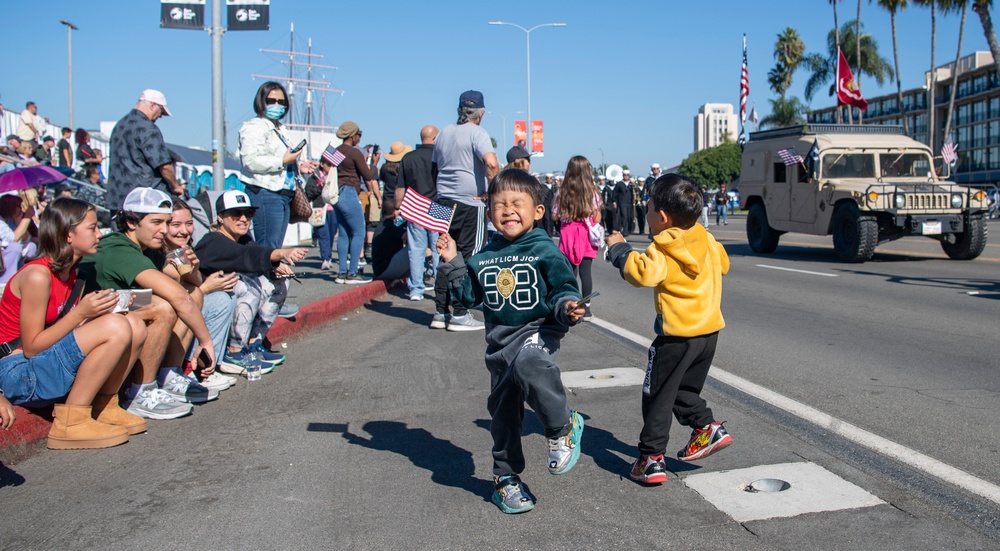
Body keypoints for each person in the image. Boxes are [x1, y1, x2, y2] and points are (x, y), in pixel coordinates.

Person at [436, 168, 585, 514]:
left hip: (537, 334)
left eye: (517, 203)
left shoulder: (544, 248)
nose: (508, 210)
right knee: (503, 417)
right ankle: (505, 479)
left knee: (530, 363)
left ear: (537, 211)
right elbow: (469, 296)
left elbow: (564, 288)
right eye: (499, 205)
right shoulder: (485, 255)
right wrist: (453, 261)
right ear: (489, 213)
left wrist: (567, 308)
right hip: (499, 347)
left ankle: (562, 427)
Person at [605, 173, 733, 485]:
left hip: (676, 336)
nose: (645, 213)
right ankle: (707, 427)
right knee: (683, 390)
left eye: (647, 207)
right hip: (708, 334)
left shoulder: (662, 247)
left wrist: (619, 250)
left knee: (658, 394)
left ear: (661, 217)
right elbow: (724, 264)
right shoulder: (707, 239)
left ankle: (650, 458)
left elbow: (642, 275)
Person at [0, 197, 148, 448]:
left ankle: (102, 405)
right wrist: (81, 315)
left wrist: (99, 311)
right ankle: (70, 422)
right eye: (92, 228)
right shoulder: (38, 274)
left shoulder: (74, 275)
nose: (99, 234)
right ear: (68, 234)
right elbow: (32, 347)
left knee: (132, 322)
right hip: (16, 371)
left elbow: (64, 332)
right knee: (116, 326)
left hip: (40, 364)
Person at [81, 187, 218, 419]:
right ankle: (141, 392)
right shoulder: (119, 247)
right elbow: (177, 297)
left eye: (166, 222)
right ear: (132, 223)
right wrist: (206, 343)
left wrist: (192, 266)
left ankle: (169, 374)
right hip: (88, 318)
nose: (164, 230)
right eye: (156, 222)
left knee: (193, 293)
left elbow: (186, 283)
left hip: (117, 308)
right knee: (162, 306)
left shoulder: (147, 247)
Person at [195, 190, 307, 374]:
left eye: (249, 213)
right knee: (247, 284)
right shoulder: (212, 241)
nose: (244, 218)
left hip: (228, 304)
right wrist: (280, 253)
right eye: (236, 213)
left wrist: (274, 267)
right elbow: (243, 256)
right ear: (221, 217)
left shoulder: (244, 239)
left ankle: (254, 345)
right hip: (207, 307)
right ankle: (234, 352)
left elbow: (254, 255)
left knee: (279, 282)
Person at [430, 90, 500, 331]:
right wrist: (493, 193)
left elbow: (434, 168)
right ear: (480, 114)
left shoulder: (443, 133)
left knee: (444, 252)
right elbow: (491, 163)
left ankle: (440, 311)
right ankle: (460, 313)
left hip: (442, 200)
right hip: (469, 203)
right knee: (470, 255)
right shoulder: (477, 132)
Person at [161, 199, 238, 392]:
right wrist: (206, 288)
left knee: (225, 296)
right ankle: (186, 369)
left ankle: (208, 365)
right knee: (206, 298)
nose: (184, 230)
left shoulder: (182, 251)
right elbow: (187, 291)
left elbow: (193, 280)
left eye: (189, 224)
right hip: (163, 314)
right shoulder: (158, 253)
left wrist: (200, 277)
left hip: (181, 306)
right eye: (176, 225)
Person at [238, 81, 317, 250]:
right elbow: (250, 161)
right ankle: (264, 276)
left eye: (281, 102)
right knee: (268, 247)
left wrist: (298, 166)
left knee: (275, 246)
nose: (277, 105)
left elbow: (282, 157)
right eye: (271, 100)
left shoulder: (280, 128)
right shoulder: (255, 127)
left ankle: (271, 274)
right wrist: (282, 161)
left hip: (283, 193)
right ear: (261, 101)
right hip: (266, 192)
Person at [106, 90, 184, 212]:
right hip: (144, 202)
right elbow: (164, 165)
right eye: (161, 111)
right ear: (153, 105)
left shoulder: (120, 125)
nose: (161, 116)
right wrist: (175, 186)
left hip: (118, 199)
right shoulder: (147, 128)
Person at [553, 156, 602, 320]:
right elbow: (597, 218)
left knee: (569, 273)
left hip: (568, 233)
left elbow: (554, 215)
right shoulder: (592, 193)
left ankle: (570, 304)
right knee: (586, 273)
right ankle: (586, 308)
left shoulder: (562, 192)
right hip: (585, 234)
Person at [395, 126, 439, 301]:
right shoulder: (440, 156)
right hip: (437, 206)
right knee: (438, 250)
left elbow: (400, 187)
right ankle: (440, 288)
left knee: (416, 250)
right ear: (435, 138)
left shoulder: (408, 157)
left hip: (415, 206)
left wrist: (398, 206)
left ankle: (416, 289)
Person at [332, 121, 379, 283]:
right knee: (359, 231)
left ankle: (341, 272)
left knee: (344, 233)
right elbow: (367, 175)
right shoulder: (354, 152)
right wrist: (374, 163)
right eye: (359, 134)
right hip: (349, 192)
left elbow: (326, 168)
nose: (359, 137)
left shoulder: (335, 151)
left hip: (336, 194)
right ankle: (352, 273)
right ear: (353, 136)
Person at [303, 153, 337, 271]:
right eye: (328, 164)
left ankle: (328, 257)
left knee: (332, 233)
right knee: (323, 235)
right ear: (322, 164)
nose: (330, 167)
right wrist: (319, 186)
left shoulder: (334, 176)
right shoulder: (315, 176)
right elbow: (309, 193)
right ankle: (325, 259)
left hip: (333, 209)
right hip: (319, 210)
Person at [371, 199, 408, 281]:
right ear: (395, 211)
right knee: (416, 248)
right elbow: (410, 236)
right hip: (384, 269)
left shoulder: (385, 223)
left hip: (380, 269)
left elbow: (401, 222)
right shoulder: (389, 225)